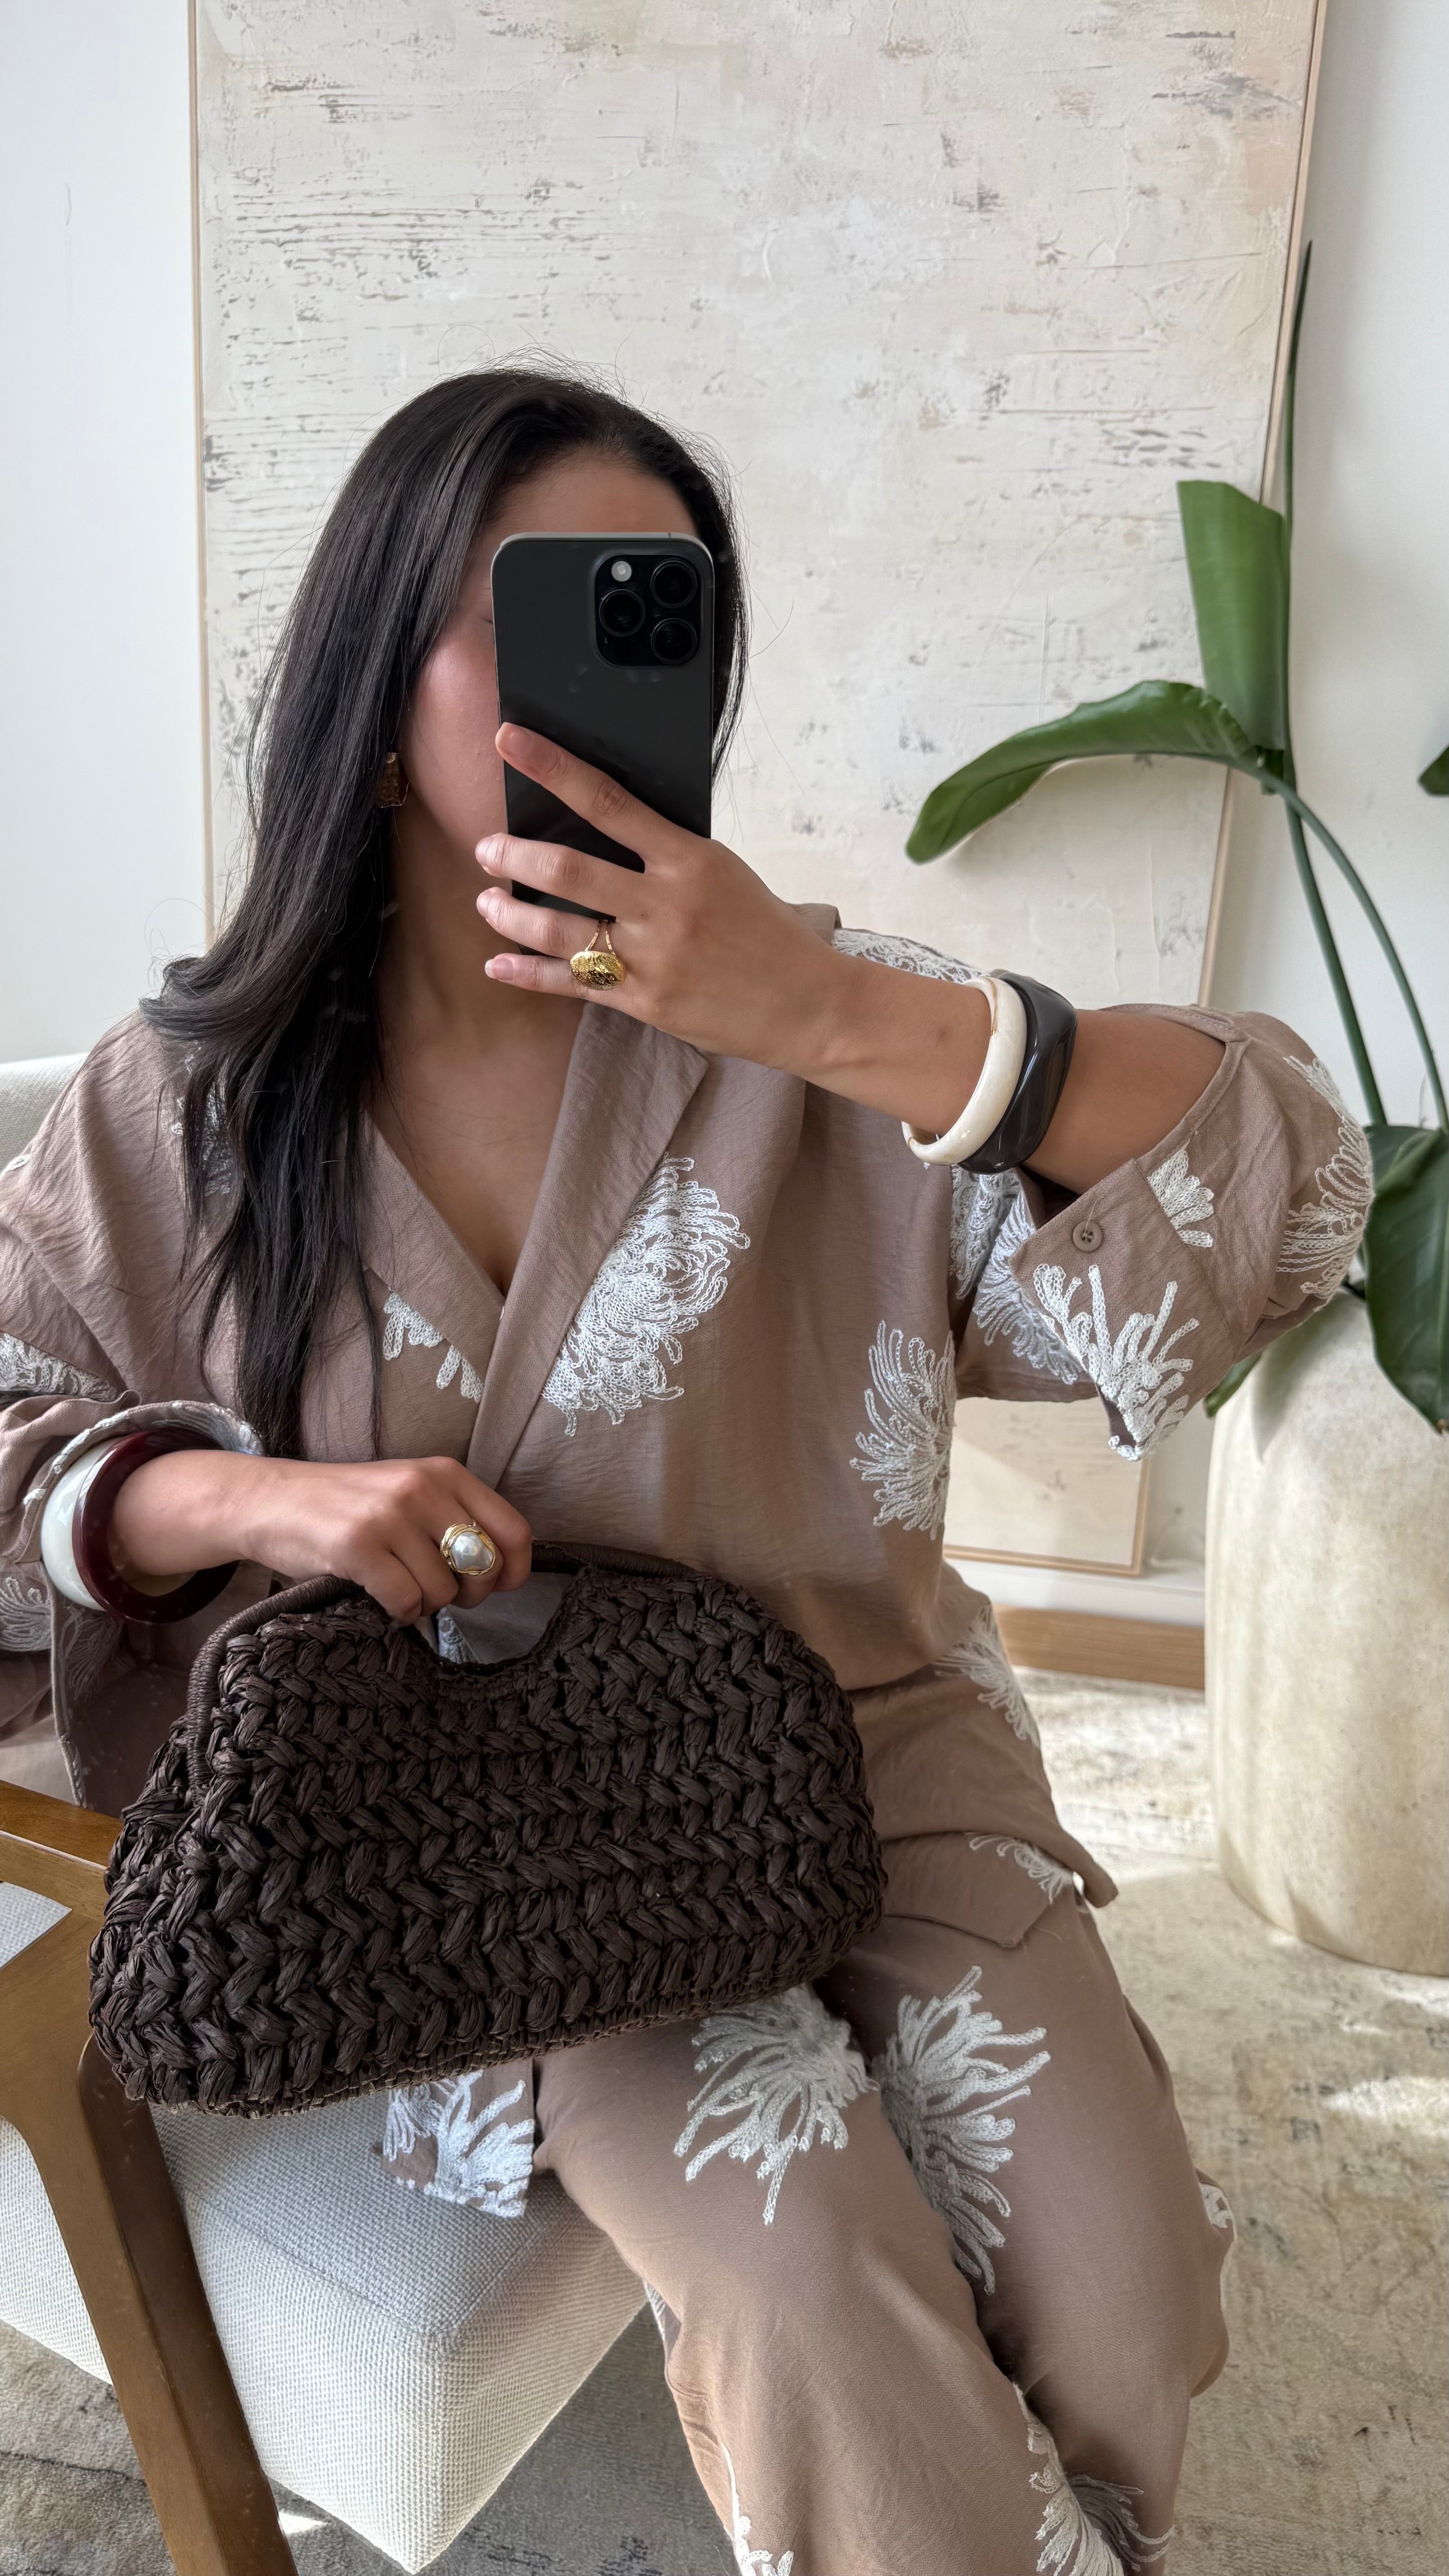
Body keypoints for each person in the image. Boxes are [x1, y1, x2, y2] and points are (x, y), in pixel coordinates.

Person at [0, 370, 1369, 2574]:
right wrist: (246, 1503)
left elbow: (1292, 1183)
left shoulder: (815, 1011)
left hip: (868, 1736)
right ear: (372, 692)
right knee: (807, 2270)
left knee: (1129, 2285)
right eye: (537, 609)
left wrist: (830, 1017)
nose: (610, 664)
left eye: (661, 608)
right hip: (486, 1839)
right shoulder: (191, 1104)